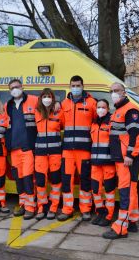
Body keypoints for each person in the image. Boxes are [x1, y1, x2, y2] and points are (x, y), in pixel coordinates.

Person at [103, 82, 139, 239]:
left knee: (126, 191)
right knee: (131, 190)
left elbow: (135, 135)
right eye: (112, 91)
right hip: (122, 158)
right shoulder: (118, 110)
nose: (114, 93)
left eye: (117, 90)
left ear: (124, 92)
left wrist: (129, 155)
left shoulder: (130, 109)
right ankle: (132, 221)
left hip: (126, 159)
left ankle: (120, 228)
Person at [57, 75, 97, 221]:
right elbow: (59, 123)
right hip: (67, 150)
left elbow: (97, 122)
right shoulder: (64, 104)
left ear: (82, 85)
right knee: (67, 180)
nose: (75, 88)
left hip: (84, 149)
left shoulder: (92, 103)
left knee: (85, 181)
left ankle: (85, 210)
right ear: (70, 86)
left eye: (78, 85)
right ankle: (67, 209)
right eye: (73, 85)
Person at [4, 79, 39, 220]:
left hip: (28, 148)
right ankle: (23, 204)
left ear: (22, 87)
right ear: (9, 90)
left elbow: (46, 110)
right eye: (12, 88)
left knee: (28, 178)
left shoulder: (34, 100)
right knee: (19, 179)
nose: (15, 89)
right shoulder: (8, 105)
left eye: (17, 87)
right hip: (14, 150)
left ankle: (31, 207)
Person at [34, 88, 64, 220]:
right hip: (40, 153)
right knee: (40, 182)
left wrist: (60, 105)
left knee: (56, 181)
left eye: (49, 96)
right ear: (41, 98)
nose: (47, 98)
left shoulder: (59, 113)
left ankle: (53, 207)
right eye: (44, 96)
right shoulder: (36, 112)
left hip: (55, 153)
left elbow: (64, 126)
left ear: (53, 98)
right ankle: (41, 207)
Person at [90, 99, 116, 226]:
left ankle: (108, 215)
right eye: (98, 107)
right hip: (95, 163)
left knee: (109, 191)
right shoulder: (94, 123)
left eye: (103, 107)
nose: (100, 109)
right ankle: (100, 212)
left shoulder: (111, 123)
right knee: (95, 190)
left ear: (108, 109)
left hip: (108, 163)